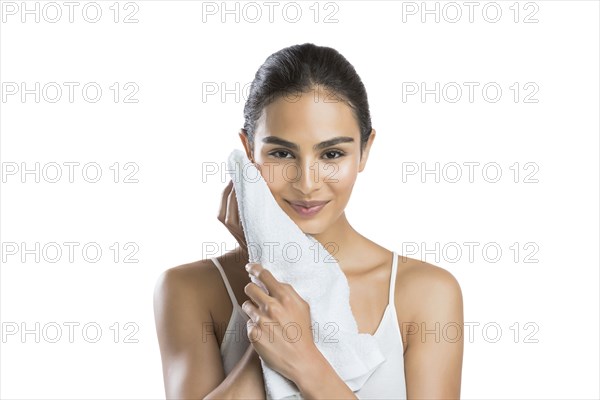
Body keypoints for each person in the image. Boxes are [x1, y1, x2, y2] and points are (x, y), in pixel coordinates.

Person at [153, 42, 464, 399]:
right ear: (249, 152)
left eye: (332, 153)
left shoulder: (426, 292)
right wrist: (281, 277)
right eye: (282, 153)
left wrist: (305, 360)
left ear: (365, 150)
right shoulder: (189, 289)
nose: (307, 182)